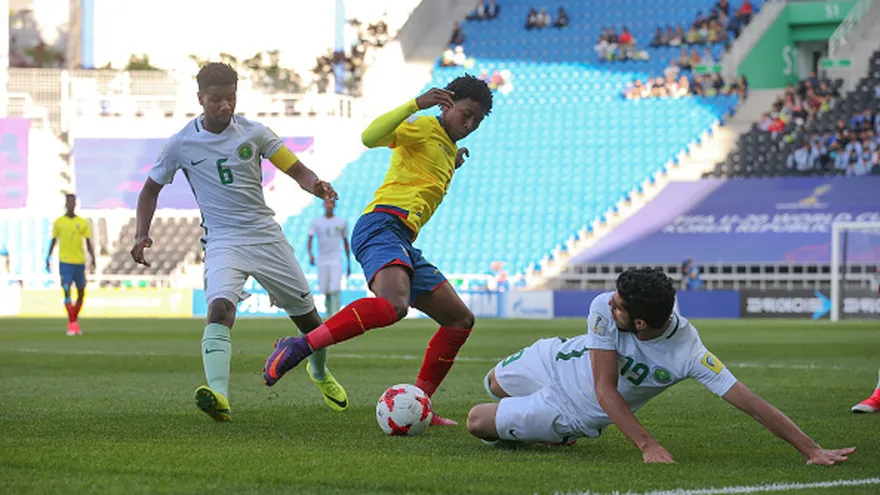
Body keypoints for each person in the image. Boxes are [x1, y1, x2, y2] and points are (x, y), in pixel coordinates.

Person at [262, 75, 494, 426]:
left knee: (460, 320)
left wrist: (452, 158)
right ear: (447, 103)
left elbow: (426, 170)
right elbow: (369, 137)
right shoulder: (422, 126)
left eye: (477, 120)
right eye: (466, 114)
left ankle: (420, 406)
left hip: (402, 238)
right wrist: (416, 103)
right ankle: (298, 347)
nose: (470, 124)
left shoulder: (447, 147)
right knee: (393, 306)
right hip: (381, 224)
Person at [130, 62, 348, 422]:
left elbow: (296, 169)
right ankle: (220, 395)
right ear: (200, 98)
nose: (225, 106)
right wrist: (141, 233)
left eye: (230, 98)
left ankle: (319, 372)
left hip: (265, 237)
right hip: (222, 241)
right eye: (216, 99)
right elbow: (149, 190)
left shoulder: (254, 133)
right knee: (219, 310)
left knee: (311, 323)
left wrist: (317, 185)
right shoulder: (181, 143)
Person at [466, 268, 855, 465]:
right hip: (556, 359)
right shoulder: (605, 305)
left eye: (618, 305)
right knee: (493, 383)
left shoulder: (689, 354)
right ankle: (534, 422)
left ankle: (560, 434)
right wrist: (648, 443)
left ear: (640, 323)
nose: (608, 303)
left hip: (575, 409)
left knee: (477, 421)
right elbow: (606, 384)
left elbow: (750, 402)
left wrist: (811, 449)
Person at [46, 193, 96, 336]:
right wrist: (48, 257)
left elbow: (88, 242)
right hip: (65, 262)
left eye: (73, 202)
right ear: (65, 204)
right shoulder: (59, 222)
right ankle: (73, 322)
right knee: (67, 289)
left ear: (75, 204)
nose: (71, 204)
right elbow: (54, 240)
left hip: (79, 262)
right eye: (69, 202)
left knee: (81, 293)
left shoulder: (82, 222)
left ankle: (73, 320)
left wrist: (93, 259)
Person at [308, 198, 351, 317]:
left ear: (334, 205)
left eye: (331, 203)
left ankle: (336, 314)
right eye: (327, 203)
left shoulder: (341, 222)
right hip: (322, 259)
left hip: (336, 258)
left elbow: (345, 242)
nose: (329, 205)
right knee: (325, 288)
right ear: (323, 204)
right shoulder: (316, 222)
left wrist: (349, 263)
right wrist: (311, 254)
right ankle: (329, 315)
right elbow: (310, 238)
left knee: (335, 287)